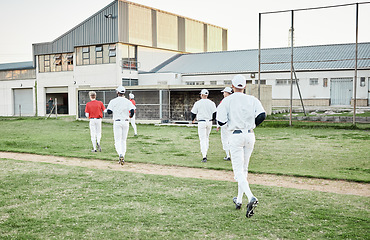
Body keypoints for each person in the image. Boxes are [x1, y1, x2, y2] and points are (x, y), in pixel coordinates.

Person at [216, 75, 266, 218]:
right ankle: (238, 200)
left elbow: (220, 121)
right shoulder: (252, 99)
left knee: (238, 172)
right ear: (244, 86)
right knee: (244, 170)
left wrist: (229, 125)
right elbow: (262, 115)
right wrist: (253, 125)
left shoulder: (227, 100)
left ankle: (251, 197)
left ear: (232, 86)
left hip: (236, 135)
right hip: (250, 135)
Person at [106, 86, 135, 165]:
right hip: (125, 121)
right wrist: (130, 116)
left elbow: (109, 111)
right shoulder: (127, 101)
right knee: (123, 140)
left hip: (117, 121)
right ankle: (123, 155)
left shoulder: (113, 101)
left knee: (117, 140)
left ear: (117, 92)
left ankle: (120, 154)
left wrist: (115, 111)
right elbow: (132, 111)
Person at [191, 89, 217, 163]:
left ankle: (204, 156)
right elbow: (215, 113)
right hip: (209, 122)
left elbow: (193, 112)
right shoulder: (211, 103)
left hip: (201, 122)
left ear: (201, 95)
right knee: (206, 138)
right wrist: (212, 119)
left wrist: (193, 119)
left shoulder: (198, 103)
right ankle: (205, 152)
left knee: (202, 139)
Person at [216, 87, 233, 161]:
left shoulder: (223, 102)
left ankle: (228, 155)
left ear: (227, 93)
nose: (223, 94)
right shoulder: (234, 100)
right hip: (234, 123)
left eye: (224, 92)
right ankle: (233, 154)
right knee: (232, 139)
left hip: (225, 123)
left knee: (225, 139)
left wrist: (218, 125)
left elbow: (220, 113)